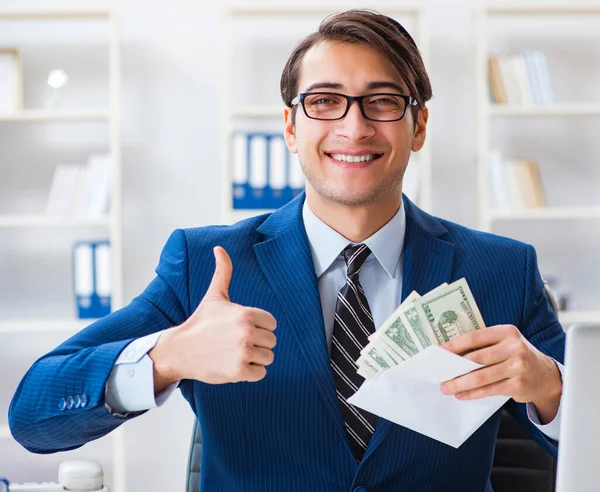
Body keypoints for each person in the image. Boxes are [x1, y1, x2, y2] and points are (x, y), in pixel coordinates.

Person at [9, 9, 565, 492]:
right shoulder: (205, 265)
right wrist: (167, 357)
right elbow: (33, 414)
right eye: (325, 102)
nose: (355, 126)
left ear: (418, 126)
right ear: (291, 128)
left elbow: (586, 445)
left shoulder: (502, 269)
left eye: (382, 101)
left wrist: (551, 387)